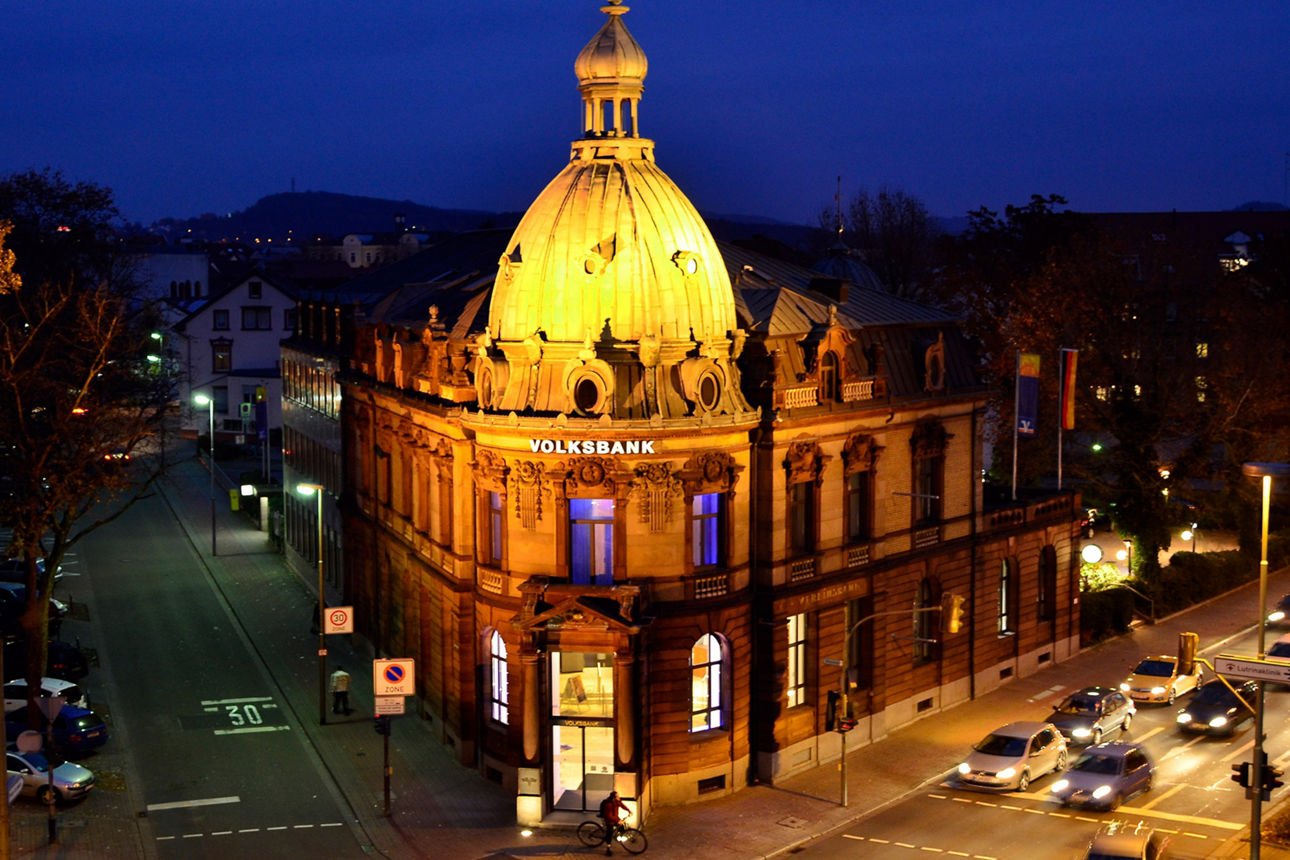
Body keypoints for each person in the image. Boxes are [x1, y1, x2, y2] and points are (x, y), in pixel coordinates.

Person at [598, 790, 630, 854]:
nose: (619, 797)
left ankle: (620, 836)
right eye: (617, 796)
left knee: (622, 825)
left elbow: (621, 805)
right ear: (614, 797)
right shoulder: (608, 804)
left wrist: (629, 811)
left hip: (615, 818)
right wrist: (618, 820)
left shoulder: (616, 801)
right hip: (609, 820)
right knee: (610, 833)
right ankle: (608, 848)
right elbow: (609, 816)